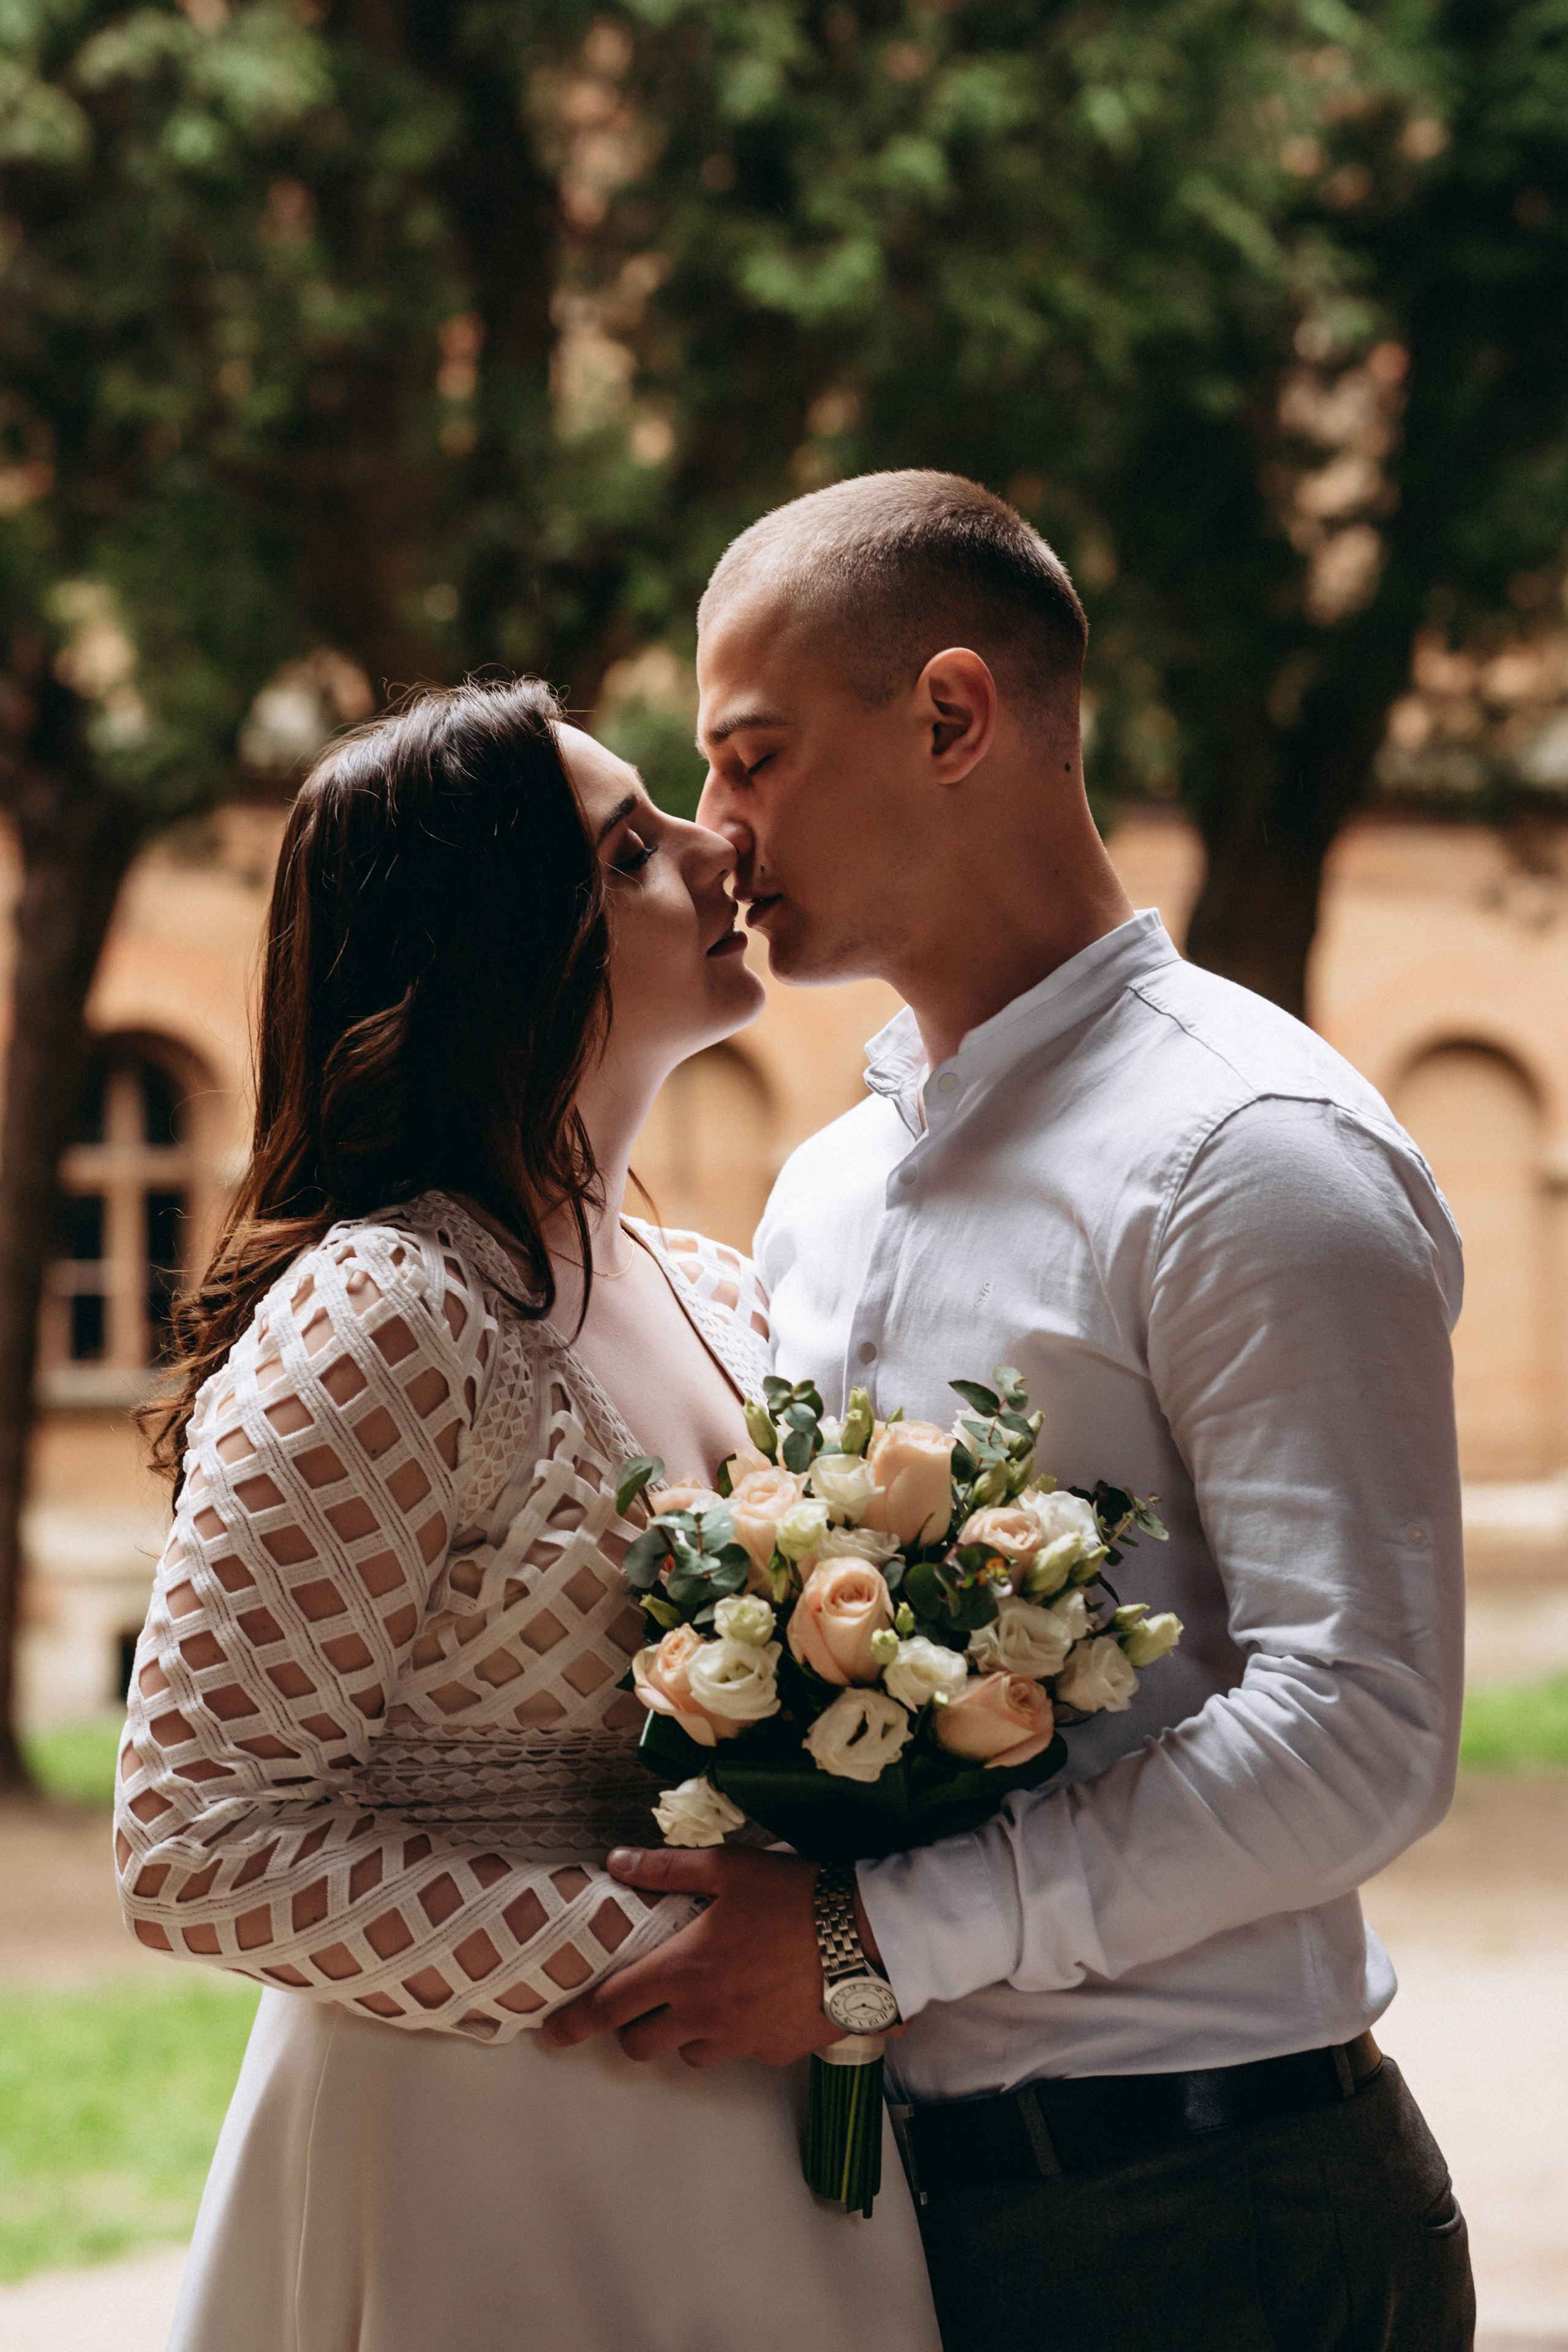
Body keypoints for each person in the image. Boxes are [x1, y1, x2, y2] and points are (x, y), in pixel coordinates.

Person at [545, 473, 1479, 2352]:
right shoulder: (820, 1189)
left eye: (756, 757)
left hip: (1213, 2222)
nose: (719, 836)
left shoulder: (1247, 1153)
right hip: (875, 2219)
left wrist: (866, 1947)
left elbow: (1362, 1727)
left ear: (954, 717)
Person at [114, 679, 941, 2352]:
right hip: (472, 2157)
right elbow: (194, 1847)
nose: (719, 855)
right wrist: (666, 1959)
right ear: (499, 942)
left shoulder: (718, 1291)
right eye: (633, 848)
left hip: (765, 2151)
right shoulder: (392, 1310)